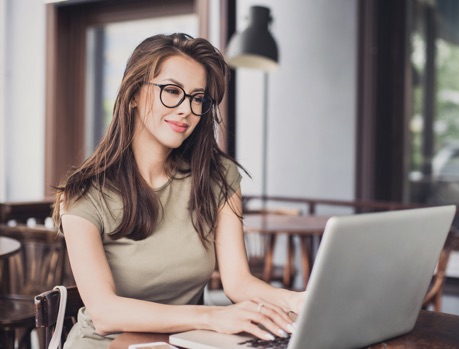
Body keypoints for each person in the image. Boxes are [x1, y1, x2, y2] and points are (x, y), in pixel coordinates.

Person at [52, 32, 304, 349]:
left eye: (198, 98)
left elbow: (238, 282)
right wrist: (211, 317)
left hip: (180, 343)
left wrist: (296, 300)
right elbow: (104, 313)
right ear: (132, 94)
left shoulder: (217, 176)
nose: (186, 109)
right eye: (172, 91)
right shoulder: (82, 192)